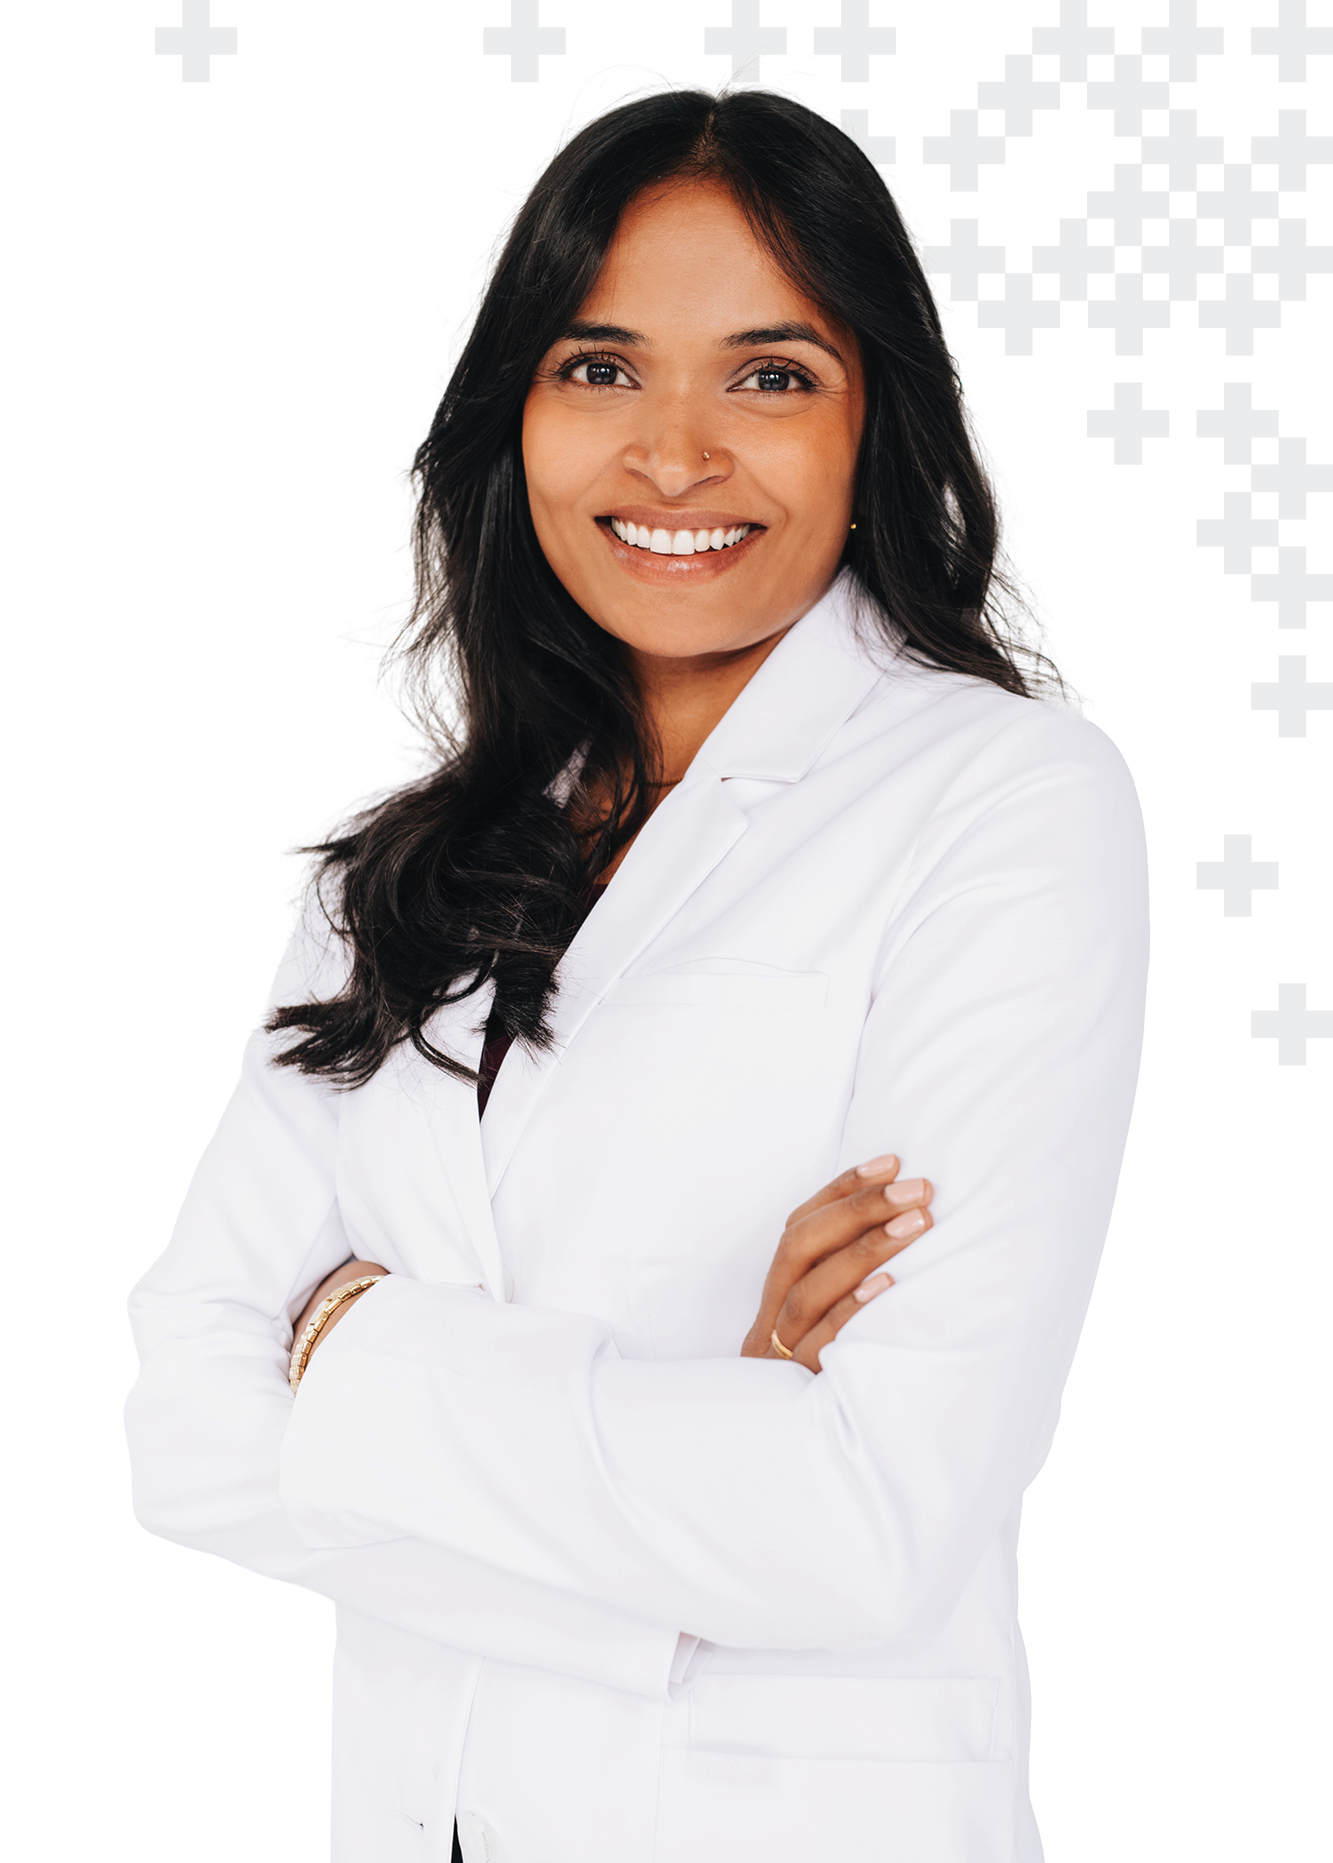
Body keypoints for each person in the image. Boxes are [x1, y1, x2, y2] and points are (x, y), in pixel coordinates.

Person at [125, 88, 1148, 1863]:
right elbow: (190, 1432)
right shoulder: (404, 875)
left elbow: (865, 1522)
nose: (673, 456)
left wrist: (356, 1357)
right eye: (599, 368)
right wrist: (716, 1423)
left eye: (769, 377)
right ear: (511, 414)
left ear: (876, 419)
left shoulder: (1004, 803)